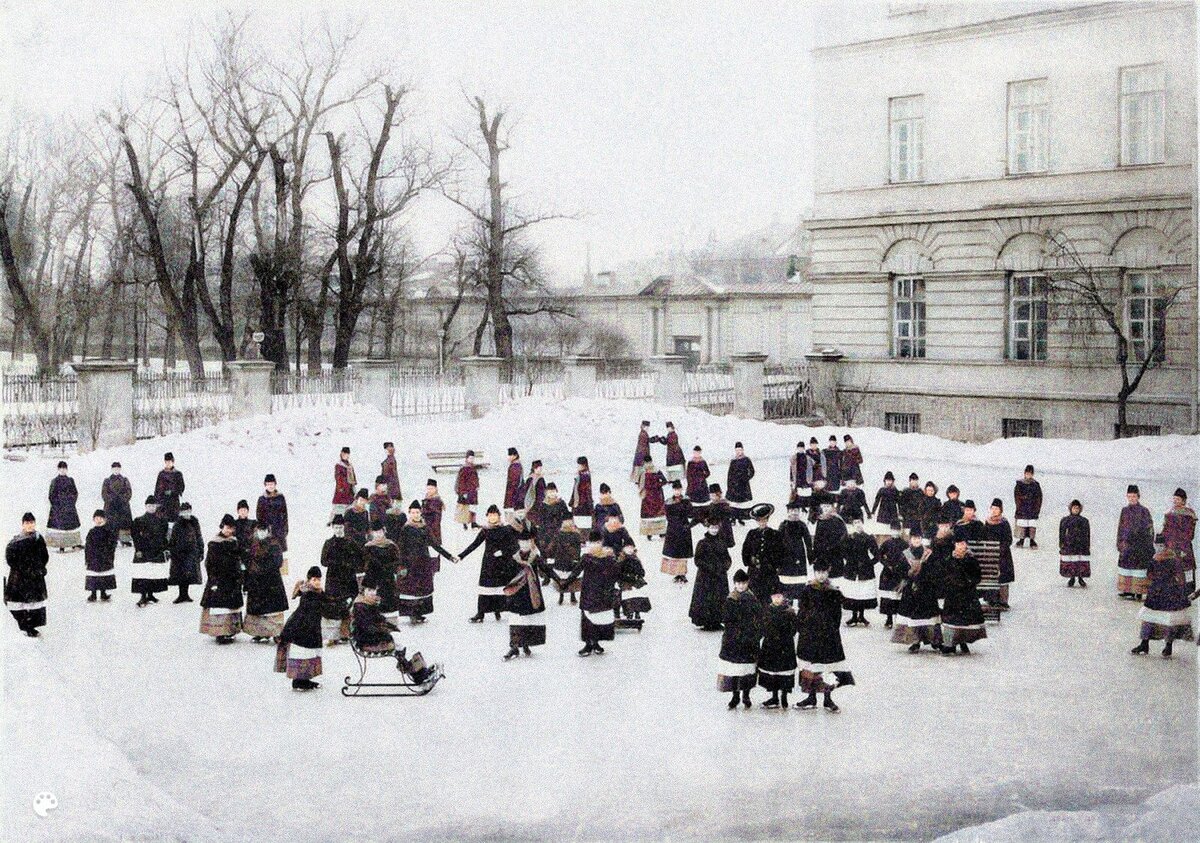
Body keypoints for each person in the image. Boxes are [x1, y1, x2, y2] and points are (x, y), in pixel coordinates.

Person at [794, 566, 852, 712]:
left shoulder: (833, 591)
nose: (821, 575)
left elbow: (837, 613)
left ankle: (828, 698)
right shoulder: (807, 590)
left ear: (827, 573)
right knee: (810, 666)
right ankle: (811, 697)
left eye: (823, 572)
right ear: (815, 573)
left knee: (828, 666)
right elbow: (802, 610)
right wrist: (802, 628)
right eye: (818, 572)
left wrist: (833, 629)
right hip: (810, 634)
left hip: (828, 635)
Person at [1132, 534, 1194, 658]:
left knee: (1168, 620)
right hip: (1157, 592)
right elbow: (1149, 574)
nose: (1159, 548)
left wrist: (1181, 591)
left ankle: (1167, 646)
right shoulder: (1155, 558)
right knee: (1149, 618)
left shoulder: (1172, 560)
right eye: (1157, 545)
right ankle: (1145, 643)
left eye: (1161, 545)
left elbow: (1180, 577)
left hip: (1169, 592)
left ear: (1166, 546)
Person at [396, 500, 457, 623]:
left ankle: (419, 613)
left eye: (417, 512)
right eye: (412, 512)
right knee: (411, 588)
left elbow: (435, 545)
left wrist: (449, 556)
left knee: (422, 589)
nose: (415, 515)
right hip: (410, 563)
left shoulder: (425, 528)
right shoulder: (406, 529)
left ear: (421, 513)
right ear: (409, 513)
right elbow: (401, 548)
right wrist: (401, 565)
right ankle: (411, 614)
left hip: (423, 562)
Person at [460, 505, 520, 623]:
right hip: (488, 564)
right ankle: (480, 613)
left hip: (503, 564)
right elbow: (474, 544)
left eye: (495, 515)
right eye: (490, 515)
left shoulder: (507, 529)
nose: (492, 517)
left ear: (499, 516)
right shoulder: (486, 530)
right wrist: (461, 556)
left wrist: (503, 552)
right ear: (487, 517)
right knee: (485, 589)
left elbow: (514, 547)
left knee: (501, 588)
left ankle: (501, 610)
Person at [275, 567, 325, 691]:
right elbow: (309, 611)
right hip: (302, 630)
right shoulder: (309, 594)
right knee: (303, 654)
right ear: (309, 581)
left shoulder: (316, 593)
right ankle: (299, 681)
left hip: (309, 629)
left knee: (309, 654)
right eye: (314, 580)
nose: (317, 582)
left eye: (319, 579)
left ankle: (305, 679)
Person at [891, 533, 942, 653]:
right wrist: (908, 574)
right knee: (912, 616)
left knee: (929, 616)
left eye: (918, 538)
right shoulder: (905, 554)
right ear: (911, 540)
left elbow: (935, 569)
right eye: (914, 538)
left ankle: (934, 640)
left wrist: (926, 577)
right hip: (911, 589)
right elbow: (899, 570)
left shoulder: (929, 553)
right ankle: (915, 641)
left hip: (926, 589)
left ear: (921, 539)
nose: (917, 540)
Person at [719, 569, 761, 710]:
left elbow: (758, 617)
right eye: (738, 583)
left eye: (743, 583)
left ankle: (746, 695)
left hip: (749, 639)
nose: (741, 586)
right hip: (734, 640)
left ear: (747, 583)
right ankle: (735, 695)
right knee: (734, 670)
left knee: (747, 670)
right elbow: (726, 619)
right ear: (734, 584)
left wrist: (755, 632)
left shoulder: (752, 599)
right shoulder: (731, 599)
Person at [199, 514, 243, 644]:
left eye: (231, 528)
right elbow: (209, 563)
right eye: (227, 528)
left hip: (232, 579)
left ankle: (230, 630)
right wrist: (213, 579)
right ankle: (219, 633)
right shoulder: (215, 543)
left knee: (231, 606)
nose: (229, 531)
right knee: (220, 607)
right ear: (222, 527)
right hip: (220, 579)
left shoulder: (234, 541)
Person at [939, 538, 987, 655]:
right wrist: (949, 583)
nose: (960, 546)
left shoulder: (971, 559)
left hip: (967, 593)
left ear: (966, 545)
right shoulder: (949, 559)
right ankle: (950, 643)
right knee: (950, 619)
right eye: (958, 544)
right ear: (954, 545)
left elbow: (977, 577)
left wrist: (968, 582)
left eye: (963, 544)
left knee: (966, 619)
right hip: (953, 593)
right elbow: (943, 574)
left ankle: (963, 641)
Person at [319, 515, 360, 645]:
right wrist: (337, 562)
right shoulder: (329, 543)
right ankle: (333, 635)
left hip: (348, 579)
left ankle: (346, 633)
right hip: (333, 579)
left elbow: (359, 559)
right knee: (333, 606)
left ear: (344, 527)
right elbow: (323, 561)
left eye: (340, 527)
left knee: (348, 605)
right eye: (336, 527)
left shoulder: (351, 542)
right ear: (332, 528)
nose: (338, 530)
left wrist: (349, 564)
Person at [503, 535, 546, 659]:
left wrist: (559, 580)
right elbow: (506, 573)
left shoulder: (535, 558)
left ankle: (526, 643)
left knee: (528, 620)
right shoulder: (513, 558)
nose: (525, 544)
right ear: (518, 543)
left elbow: (546, 570)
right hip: (517, 594)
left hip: (531, 594)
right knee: (515, 619)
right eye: (522, 542)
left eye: (527, 542)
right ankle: (514, 647)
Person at [243, 523, 289, 641]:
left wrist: (263, 568)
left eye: (264, 530)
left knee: (273, 610)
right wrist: (251, 568)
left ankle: (276, 632)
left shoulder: (274, 543)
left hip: (271, 581)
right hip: (256, 581)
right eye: (259, 530)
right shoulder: (251, 544)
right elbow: (246, 558)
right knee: (258, 610)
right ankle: (260, 632)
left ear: (268, 531)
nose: (262, 533)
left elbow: (278, 562)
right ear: (256, 531)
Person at [6, 513, 49, 636]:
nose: (29, 525)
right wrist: (21, 568)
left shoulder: (38, 538)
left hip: (35, 576)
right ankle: (24, 625)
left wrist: (39, 567)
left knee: (34, 602)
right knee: (20, 602)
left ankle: (31, 627)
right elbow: (10, 558)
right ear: (23, 525)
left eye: (31, 523)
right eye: (27, 523)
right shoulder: (15, 542)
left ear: (34, 523)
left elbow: (44, 556)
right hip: (20, 577)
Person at [579, 531, 619, 655]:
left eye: (597, 542)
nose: (595, 545)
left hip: (602, 592)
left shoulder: (609, 558)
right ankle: (587, 644)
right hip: (588, 592)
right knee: (587, 620)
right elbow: (577, 570)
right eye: (592, 542)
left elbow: (615, 573)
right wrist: (564, 582)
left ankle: (596, 643)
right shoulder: (586, 557)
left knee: (599, 618)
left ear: (601, 542)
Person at [690, 516, 732, 631]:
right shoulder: (702, 543)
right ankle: (706, 621)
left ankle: (717, 620)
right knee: (706, 598)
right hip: (706, 577)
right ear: (708, 528)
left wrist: (724, 567)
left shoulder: (722, 542)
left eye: (716, 528)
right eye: (712, 528)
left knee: (719, 598)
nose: (714, 530)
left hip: (720, 576)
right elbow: (697, 560)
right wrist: (709, 568)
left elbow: (727, 558)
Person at [757, 593, 797, 709]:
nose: (777, 599)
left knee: (784, 672)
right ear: (771, 597)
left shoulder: (789, 612)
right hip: (770, 645)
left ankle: (784, 696)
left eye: (779, 596)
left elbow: (794, 628)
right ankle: (774, 696)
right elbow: (762, 626)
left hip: (785, 646)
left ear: (783, 597)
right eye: (775, 597)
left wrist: (787, 636)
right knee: (772, 672)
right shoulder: (767, 611)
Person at [131, 496, 169, 607]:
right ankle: (143, 596)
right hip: (143, 551)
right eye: (149, 506)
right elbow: (135, 536)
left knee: (153, 573)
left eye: (153, 506)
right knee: (143, 574)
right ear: (145, 506)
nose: (151, 508)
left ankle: (151, 595)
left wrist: (165, 548)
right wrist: (138, 549)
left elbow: (164, 536)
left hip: (156, 550)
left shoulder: (161, 521)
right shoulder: (139, 520)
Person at [742, 502, 784, 603]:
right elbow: (745, 550)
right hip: (754, 573)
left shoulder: (775, 534)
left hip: (769, 573)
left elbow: (780, 552)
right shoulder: (752, 534)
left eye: (764, 520)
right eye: (759, 520)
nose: (762, 522)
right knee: (754, 598)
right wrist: (750, 562)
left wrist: (775, 565)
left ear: (767, 519)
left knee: (768, 599)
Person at [840, 520, 879, 626]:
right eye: (855, 523)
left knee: (862, 592)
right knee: (853, 592)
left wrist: (870, 563)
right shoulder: (848, 537)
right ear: (852, 525)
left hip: (865, 569)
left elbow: (877, 554)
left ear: (863, 524)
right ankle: (853, 616)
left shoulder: (868, 537)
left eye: (859, 522)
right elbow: (842, 550)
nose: (858, 525)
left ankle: (861, 616)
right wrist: (848, 560)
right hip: (851, 569)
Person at [362, 526, 402, 625]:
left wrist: (389, 567)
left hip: (387, 578)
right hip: (373, 578)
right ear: (372, 533)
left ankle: (390, 624)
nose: (378, 534)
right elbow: (365, 562)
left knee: (389, 603)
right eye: (376, 532)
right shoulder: (368, 546)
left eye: (380, 531)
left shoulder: (390, 545)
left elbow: (397, 560)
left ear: (384, 531)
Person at [167, 502, 204, 604]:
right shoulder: (177, 524)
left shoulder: (194, 521)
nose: (186, 514)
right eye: (184, 512)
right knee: (180, 575)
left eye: (188, 511)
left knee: (189, 574)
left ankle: (186, 594)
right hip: (179, 553)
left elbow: (199, 536)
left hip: (192, 552)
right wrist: (172, 550)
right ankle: (181, 595)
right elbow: (173, 539)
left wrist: (201, 550)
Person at [661, 480, 696, 583]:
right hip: (673, 529)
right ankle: (676, 573)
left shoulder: (686, 500)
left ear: (681, 489)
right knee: (674, 553)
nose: (677, 492)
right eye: (675, 490)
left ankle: (683, 573)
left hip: (684, 529)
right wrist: (677, 523)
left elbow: (690, 513)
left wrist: (688, 523)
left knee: (683, 553)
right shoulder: (668, 502)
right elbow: (668, 516)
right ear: (673, 490)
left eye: (679, 489)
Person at [778, 500, 813, 602]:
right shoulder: (783, 525)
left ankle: (799, 601)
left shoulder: (802, 525)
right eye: (792, 510)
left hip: (799, 555)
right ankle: (788, 601)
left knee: (798, 580)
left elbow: (808, 541)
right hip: (786, 556)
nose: (794, 513)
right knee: (786, 579)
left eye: (796, 510)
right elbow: (778, 541)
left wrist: (810, 557)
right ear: (788, 512)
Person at [983, 499, 1015, 608]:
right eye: (992, 508)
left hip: (1003, 555)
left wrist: (1000, 549)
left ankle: (1003, 601)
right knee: (991, 575)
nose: (994, 511)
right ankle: (991, 599)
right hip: (990, 554)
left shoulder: (1004, 523)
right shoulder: (987, 522)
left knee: (1003, 577)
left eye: (996, 509)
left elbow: (1008, 539)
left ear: (1000, 510)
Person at [1163, 488, 1196, 588]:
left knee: (1186, 567)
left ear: (1183, 500)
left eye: (1177, 499)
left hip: (1183, 545)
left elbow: (1190, 533)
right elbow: (1165, 528)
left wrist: (1182, 542)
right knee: (1172, 567)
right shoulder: (1170, 512)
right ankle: (1174, 591)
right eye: (1174, 499)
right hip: (1170, 545)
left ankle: (1188, 591)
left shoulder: (1189, 514)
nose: (1175, 501)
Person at [877, 519, 907, 628]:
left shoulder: (904, 544)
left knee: (898, 596)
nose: (895, 532)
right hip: (888, 572)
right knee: (888, 598)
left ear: (901, 531)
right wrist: (886, 564)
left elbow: (908, 557)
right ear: (890, 530)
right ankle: (888, 619)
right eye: (893, 530)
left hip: (900, 572)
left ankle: (899, 619)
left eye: (897, 530)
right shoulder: (886, 543)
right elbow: (879, 556)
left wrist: (901, 566)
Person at [546, 516, 583, 604]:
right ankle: (572, 596)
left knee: (561, 578)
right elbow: (578, 550)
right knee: (572, 577)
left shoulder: (558, 535)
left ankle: (561, 595)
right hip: (571, 561)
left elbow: (551, 548)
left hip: (560, 560)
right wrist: (576, 559)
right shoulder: (576, 536)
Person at [46, 461, 82, 552]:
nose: (63, 470)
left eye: (64, 468)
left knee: (72, 527)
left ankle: (74, 544)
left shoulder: (70, 480)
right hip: (59, 509)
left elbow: (75, 493)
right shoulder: (55, 481)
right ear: (58, 469)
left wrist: (71, 502)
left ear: (67, 469)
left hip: (69, 507)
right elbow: (51, 496)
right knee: (60, 528)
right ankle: (61, 546)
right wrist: (57, 506)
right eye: (61, 468)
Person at [256, 474, 289, 574]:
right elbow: (259, 516)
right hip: (267, 532)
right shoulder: (262, 499)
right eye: (268, 484)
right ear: (265, 485)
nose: (270, 486)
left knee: (280, 555)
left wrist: (285, 529)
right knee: (267, 553)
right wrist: (263, 529)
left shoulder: (280, 497)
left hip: (279, 531)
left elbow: (285, 514)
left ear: (275, 484)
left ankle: (283, 576)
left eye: (272, 484)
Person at [84, 510, 117, 602]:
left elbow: (112, 544)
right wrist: (87, 557)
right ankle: (93, 594)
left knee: (104, 576)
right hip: (93, 558)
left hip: (105, 557)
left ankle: (103, 593)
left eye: (101, 518)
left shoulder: (108, 531)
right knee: (93, 576)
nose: (98, 520)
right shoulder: (91, 532)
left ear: (105, 520)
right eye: (96, 518)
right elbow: (88, 546)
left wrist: (109, 554)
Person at [1058, 500, 1092, 587]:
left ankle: (1081, 578)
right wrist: (1062, 544)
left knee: (1080, 562)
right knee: (1071, 562)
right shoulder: (1065, 520)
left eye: (1077, 508)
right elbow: (1062, 533)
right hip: (1070, 545)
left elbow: (1087, 534)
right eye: (1074, 508)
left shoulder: (1084, 521)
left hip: (1081, 546)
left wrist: (1087, 546)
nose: (1076, 510)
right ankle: (1072, 578)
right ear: (1070, 509)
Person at [811, 503, 847, 584]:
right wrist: (815, 555)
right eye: (824, 506)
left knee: (836, 580)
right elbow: (817, 539)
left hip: (836, 555)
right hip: (823, 555)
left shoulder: (838, 520)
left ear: (832, 507)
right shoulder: (820, 520)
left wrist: (833, 547)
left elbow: (843, 537)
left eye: (828, 506)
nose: (826, 508)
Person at [616, 541, 651, 623]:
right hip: (634, 582)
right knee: (635, 594)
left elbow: (618, 573)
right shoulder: (636, 560)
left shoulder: (622, 561)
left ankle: (629, 612)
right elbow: (642, 572)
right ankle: (636, 612)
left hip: (626, 582)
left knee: (626, 594)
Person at [101, 462, 134, 546]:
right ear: (112, 469)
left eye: (118, 468)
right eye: (114, 468)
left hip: (122, 505)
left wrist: (122, 498)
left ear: (120, 469)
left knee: (124, 523)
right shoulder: (107, 481)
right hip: (111, 506)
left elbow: (129, 492)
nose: (116, 470)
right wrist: (111, 499)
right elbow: (104, 493)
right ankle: (112, 540)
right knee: (111, 523)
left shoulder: (125, 480)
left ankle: (125, 540)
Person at [1013, 465, 1043, 548]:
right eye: (1027, 473)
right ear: (1024, 473)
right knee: (1022, 524)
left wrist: (1037, 509)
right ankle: (1021, 540)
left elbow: (1039, 498)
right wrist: (1019, 505)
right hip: (1022, 508)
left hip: (1032, 508)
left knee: (1031, 525)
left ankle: (1032, 540)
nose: (1028, 475)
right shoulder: (1019, 484)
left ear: (1032, 474)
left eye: (1030, 474)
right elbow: (1017, 496)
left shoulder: (1035, 485)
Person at [638, 458, 668, 539]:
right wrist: (658, 485)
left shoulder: (647, 472)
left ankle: (654, 533)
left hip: (653, 496)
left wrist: (655, 486)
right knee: (655, 514)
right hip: (653, 496)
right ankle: (655, 533)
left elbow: (664, 481)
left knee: (654, 514)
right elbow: (664, 481)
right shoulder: (646, 472)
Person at [154, 452, 185, 526]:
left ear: (173, 462)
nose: (168, 463)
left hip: (173, 502)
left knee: (174, 522)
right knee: (163, 522)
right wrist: (157, 501)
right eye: (166, 462)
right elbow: (157, 489)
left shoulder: (178, 474)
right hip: (163, 501)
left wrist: (173, 492)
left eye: (170, 462)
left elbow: (182, 487)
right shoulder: (161, 474)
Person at [454, 450, 480, 530]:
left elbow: (475, 479)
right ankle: (464, 522)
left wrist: (477, 485)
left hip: (473, 491)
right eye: (470, 458)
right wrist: (463, 492)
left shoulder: (473, 468)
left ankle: (473, 522)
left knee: (473, 507)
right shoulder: (464, 469)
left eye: (473, 458)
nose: (472, 460)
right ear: (467, 458)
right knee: (465, 507)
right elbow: (461, 482)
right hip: (467, 491)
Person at [331, 446, 357, 524]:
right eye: (345, 454)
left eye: (347, 454)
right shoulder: (339, 465)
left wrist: (353, 484)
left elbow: (353, 476)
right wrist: (341, 486)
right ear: (341, 454)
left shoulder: (349, 465)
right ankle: (336, 520)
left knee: (350, 504)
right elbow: (338, 477)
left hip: (349, 488)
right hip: (342, 489)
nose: (346, 455)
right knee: (340, 505)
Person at [569, 456, 594, 529]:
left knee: (580, 526)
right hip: (583, 504)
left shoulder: (583, 476)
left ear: (583, 465)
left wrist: (575, 504)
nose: (577, 466)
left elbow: (583, 492)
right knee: (584, 526)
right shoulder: (585, 474)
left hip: (581, 505)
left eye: (578, 465)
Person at [422, 478, 445, 547]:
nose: (429, 491)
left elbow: (434, 514)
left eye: (431, 489)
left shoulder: (436, 500)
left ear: (436, 489)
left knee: (434, 545)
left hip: (432, 527)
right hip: (427, 526)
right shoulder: (427, 498)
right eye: (428, 489)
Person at [503, 447, 524, 518]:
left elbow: (514, 482)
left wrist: (510, 495)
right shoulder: (518, 464)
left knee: (513, 513)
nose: (508, 458)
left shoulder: (515, 466)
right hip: (519, 492)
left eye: (510, 456)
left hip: (514, 493)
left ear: (515, 456)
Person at [631, 419, 652, 485]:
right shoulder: (643, 434)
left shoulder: (643, 433)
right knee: (640, 466)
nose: (648, 428)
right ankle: (638, 479)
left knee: (640, 466)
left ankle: (638, 479)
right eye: (647, 427)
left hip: (641, 453)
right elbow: (645, 442)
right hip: (642, 453)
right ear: (644, 427)